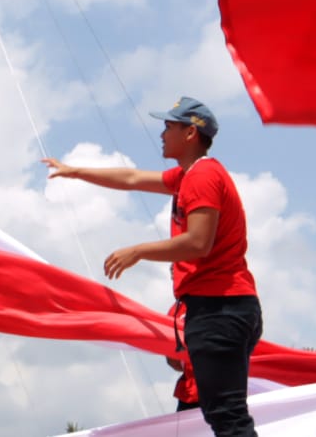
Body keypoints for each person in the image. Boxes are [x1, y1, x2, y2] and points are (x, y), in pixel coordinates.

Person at [43, 97, 261, 437]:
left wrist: (138, 251)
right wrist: (74, 171)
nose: (161, 133)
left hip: (220, 307)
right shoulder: (189, 175)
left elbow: (198, 243)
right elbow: (131, 178)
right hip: (224, 306)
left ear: (191, 133)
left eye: (169, 126)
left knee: (228, 419)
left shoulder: (202, 176)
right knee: (223, 417)